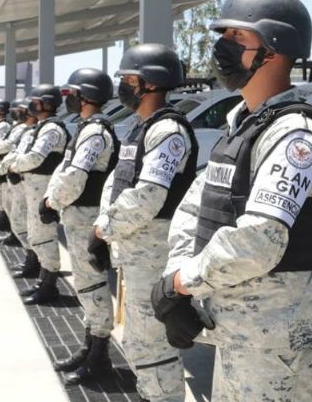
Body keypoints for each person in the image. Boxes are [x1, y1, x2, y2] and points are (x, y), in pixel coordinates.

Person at [156, 0, 312, 401]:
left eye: (237, 37)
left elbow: (259, 240)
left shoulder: (296, 135)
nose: (222, 46)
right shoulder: (243, 125)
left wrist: (184, 283)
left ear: (274, 49)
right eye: (222, 35)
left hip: (281, 344)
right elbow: (196, 208)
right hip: (241, 336)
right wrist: (176, 279)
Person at [93, 44, 198, 402]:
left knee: (153, 348)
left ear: (150, 82)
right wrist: (105, 226)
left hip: (153, 254)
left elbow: (148, 197)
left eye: (128, 78)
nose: (122, 84)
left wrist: (104, 228)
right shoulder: (140, 127)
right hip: (134, 252)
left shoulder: (167, 131)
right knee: (140, 343)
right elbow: (119, 180)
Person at [44, 68, 119, 385]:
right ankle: (90, 347)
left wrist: (51, 201)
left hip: (86, 217)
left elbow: (75, 177)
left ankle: (99, 355)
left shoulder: (96, 132)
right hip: (78, 216)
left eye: (71, 93)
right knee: (85, 285)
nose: (68, 99)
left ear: (85, 96)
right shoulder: (86, 128)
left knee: (91, 285)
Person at [11, 84, 70, 305]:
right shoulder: (43, 126)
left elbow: (35, 158)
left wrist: (11, 166)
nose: (31, 106)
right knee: (36, 236)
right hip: (34, 187)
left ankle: (49, 286)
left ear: (46, 103)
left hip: (43, 188)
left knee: (44, 237)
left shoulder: (52, 129)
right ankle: (43, 281)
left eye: (36, 102)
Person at [0, 100, 41, 275]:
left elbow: (30, 157)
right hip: (23, 182)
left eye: (22, 110)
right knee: (20, 221)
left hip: (33, 185)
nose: (19, 113)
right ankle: (31, 260)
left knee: (35, 229)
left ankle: (41, 273)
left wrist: (11, 167)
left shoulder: (43, 130)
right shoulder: (28, 131)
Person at [0, 99, 32, 247]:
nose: (15, 113)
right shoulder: (21, 127)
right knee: (13, 209)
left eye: (19, 110)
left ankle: (34, 259)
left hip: (23, 177)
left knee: (21, 216)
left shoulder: (29, 130)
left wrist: (2, 166)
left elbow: (14, 150)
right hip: (11, 170)